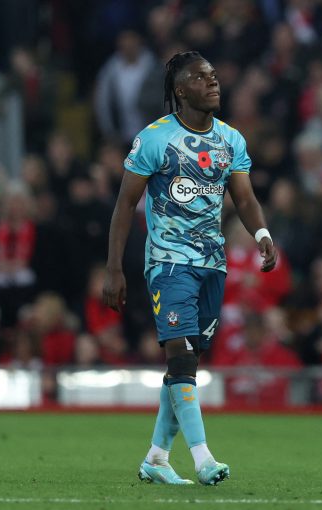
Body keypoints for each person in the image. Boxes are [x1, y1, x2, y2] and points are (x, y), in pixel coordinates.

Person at [102, 51, 277, 486]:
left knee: (185, 365)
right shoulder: (155, 139)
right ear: (181, 90)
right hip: (167, 262)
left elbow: (244, 198)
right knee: (179, 354)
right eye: (202, 78)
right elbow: (125, 205)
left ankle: (156, 459)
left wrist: (261, 235)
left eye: (214, 76)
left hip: (212, 265)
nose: (213, 82)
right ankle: (203, 460)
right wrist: (114, 269)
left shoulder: (230, 140)